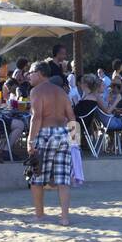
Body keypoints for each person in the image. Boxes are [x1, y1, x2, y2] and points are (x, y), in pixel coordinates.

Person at [26, 59, 76, 225]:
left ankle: (39, 215)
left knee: (37, 176)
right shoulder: (61, 92)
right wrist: (74, 141)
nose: (29, 76)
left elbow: (37, 117)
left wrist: (30, 140)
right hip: (63, 133)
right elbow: (71, 117)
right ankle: (65, 217)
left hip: (44, 133)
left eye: (31, 72)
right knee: (63, 178)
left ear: (40, 74)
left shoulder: (36, 91)